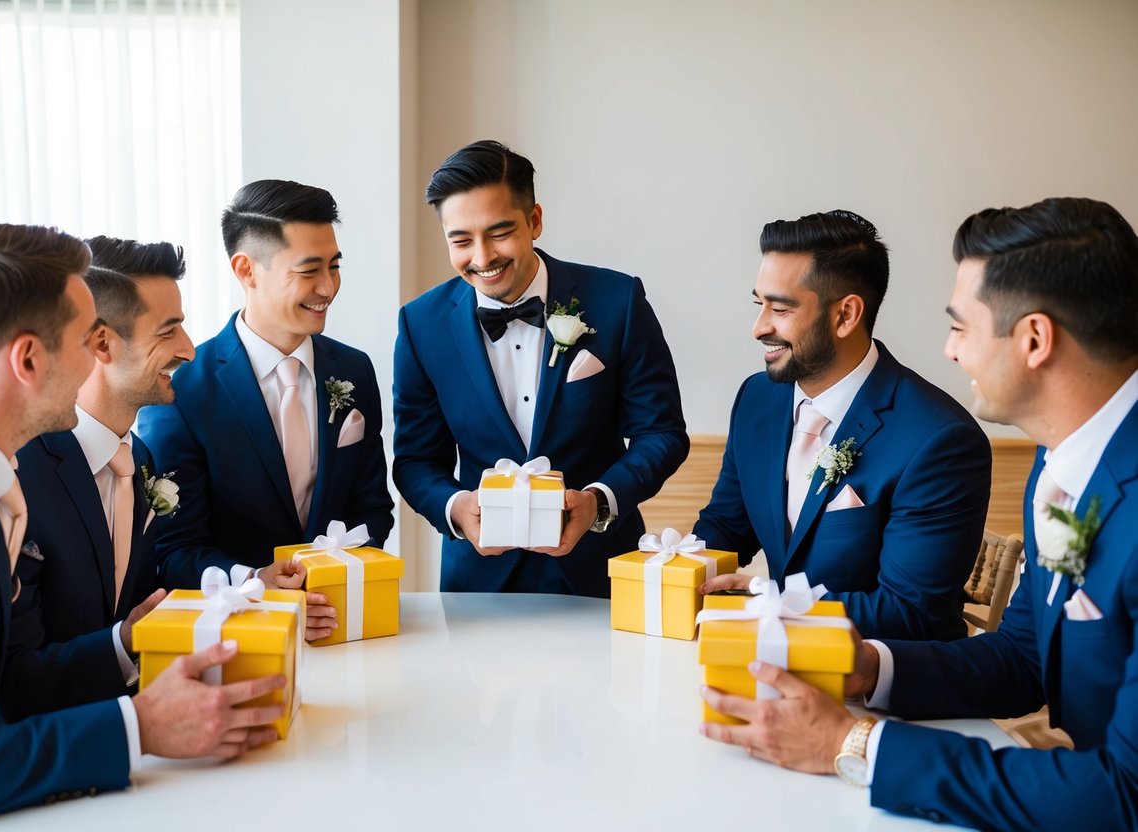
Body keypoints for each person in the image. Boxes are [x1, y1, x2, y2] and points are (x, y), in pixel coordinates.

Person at [699, 197, 1138, 830]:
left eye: (961, 327)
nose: (950, 351)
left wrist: (855, 745)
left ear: (1035, 340)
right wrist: (868, 667)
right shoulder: (1060, 462)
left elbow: (1125, 796)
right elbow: (1022, 660)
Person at [0, 222, 285, 830]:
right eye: (81, 340)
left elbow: (2, 678)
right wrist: (135, 728)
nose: (91, 360)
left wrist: (129, 641)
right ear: (28, 359)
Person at [393, 140, 688, 597]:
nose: (482, 258)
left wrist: (599, 501)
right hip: (479, 584)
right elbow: (415, 460)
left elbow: (662, 434)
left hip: (600, 574)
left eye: (499, 233)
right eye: (461, 240)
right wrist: (456, 509)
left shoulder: (618, 301)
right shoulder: (420, 324)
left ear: (534, 221)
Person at [692, 210, 990, 640]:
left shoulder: (940, 440)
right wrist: (670, 573)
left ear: (846, 315)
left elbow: (911, 613)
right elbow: (726, 526)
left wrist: (771, 602)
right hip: (770, 659)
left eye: (780, 308)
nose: (759, 328)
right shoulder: (757, 399)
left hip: (879, 672)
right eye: (760, 305)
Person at [138, 180, 394, 641]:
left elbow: (373, 508)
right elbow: (174, 549)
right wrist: (255, 582)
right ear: (246, 270)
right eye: (309, 270)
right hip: (239, 640)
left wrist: (330, 577)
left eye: (334, 266)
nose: (328, 287)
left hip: (342, 628)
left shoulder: (354, 369)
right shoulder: (182, 391)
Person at [2, 237, 195, 721]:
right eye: (168, 330)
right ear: (102, 343)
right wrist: (122, 643)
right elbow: (10, 681)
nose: (189, 350)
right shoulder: (17, 471)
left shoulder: (140, 458)